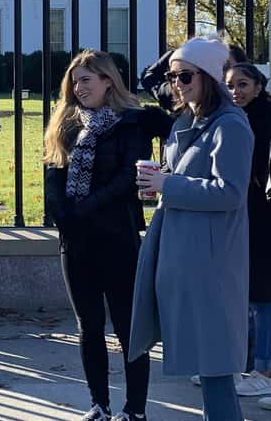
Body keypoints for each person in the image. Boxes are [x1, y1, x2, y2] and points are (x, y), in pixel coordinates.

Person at [132, 36, 254, 421]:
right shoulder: (190, 120)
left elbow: (230, 192)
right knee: (209, 369)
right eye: (173, 77)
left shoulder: (230, 124)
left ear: (209, 77)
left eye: (186, 76)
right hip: (185, 254)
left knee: (215, 369)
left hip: (211, 263)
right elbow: (189, 176)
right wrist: (161, 178)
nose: (177, 85)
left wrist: (168, 184)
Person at [43, 50, 170, 421]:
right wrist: (63, 215)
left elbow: (127, 178)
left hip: (116, 236)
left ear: (107, 81)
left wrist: (85, 209)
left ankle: (135, 410)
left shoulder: (132, 123)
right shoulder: (65, 124)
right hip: (76, 241)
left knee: (128, 327)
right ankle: (98, 404)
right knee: (89, 326)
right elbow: (53, 173)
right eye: (75, 80)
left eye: (86, 79)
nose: (79, 88)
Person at [225, 63, 271, 396]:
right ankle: (242, 362)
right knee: (245, 290)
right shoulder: (231, 117)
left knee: (262, 291)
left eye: (243, 84)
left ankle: (264, 369)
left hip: (263, 213)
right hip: (245, 213)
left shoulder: (263, 118)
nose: (235, 91)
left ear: (258, 86)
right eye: (229, 85)